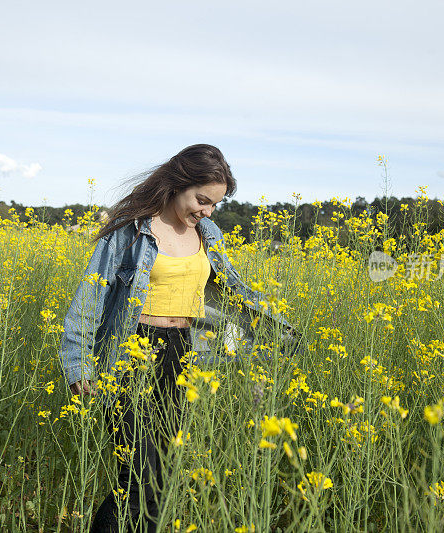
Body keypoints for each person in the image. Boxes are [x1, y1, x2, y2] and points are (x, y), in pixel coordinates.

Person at [58, 144, 294, 532]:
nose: (206, 211)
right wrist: (78, 364)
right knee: (137, 473)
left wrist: (275, 326)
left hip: (183, 352)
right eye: (202, 200)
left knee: (165, 472)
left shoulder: (209, 232)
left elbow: (233, 288)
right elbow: (90, 297)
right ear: (177, 183)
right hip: (130, 350)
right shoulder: (130, 230)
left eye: (213, 204)